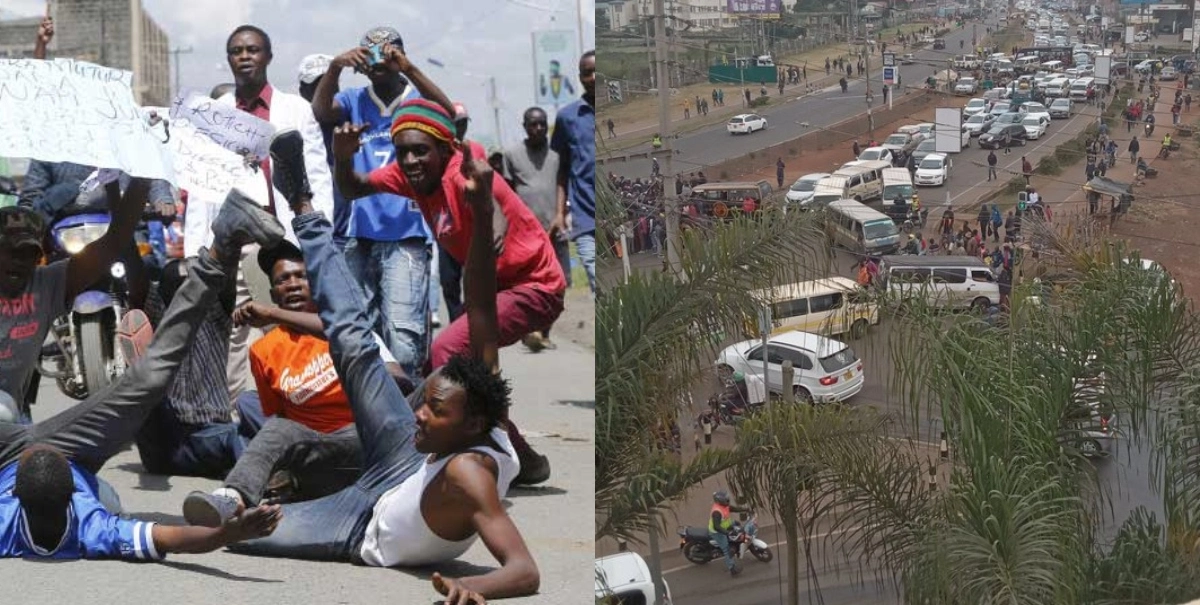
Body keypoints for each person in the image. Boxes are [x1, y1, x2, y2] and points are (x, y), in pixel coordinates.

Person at [226, 129, 541, 604]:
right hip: (403, 458)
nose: (418, 410)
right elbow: (479, 306)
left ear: (471, 424)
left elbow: (524, 572)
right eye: (427, 403)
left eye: (434, 409)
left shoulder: (471, 475)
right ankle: (304, 205)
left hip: (359, 523)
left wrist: (470, 587)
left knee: (238, 535)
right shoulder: (482, 417)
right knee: (352, 341)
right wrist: (479, 213)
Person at [0, 184, 286, 560]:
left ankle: (225, 236)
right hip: (32, 443)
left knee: (143, 381)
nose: (20, 263)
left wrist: (138, 172)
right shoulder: (90, 523)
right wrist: (220, 536)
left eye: (28, 253)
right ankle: (224, 247)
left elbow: (117, 237)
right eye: (11, 253)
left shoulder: (46, 282)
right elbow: (161, 536)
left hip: (11, 440)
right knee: (110, 497)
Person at [329, 46, 563, 484]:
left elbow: (485, 228)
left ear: (444, 148)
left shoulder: (461, 173)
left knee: (445, 353)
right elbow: (355, 186)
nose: (411, 162)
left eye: (421, 151)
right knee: (462, 364)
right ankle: (521, 457)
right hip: (490, 290)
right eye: (402, 153)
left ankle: (501, 452)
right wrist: (344, 156)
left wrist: (411, 68)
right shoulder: (409, 175)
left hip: (534, 285)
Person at [182, 241, 405, 521]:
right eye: (283, 280)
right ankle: (231, 499)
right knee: (264, 418)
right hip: (316, 454)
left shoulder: (347, 327)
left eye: (301, 276)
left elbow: (401, 381)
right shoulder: (263, 350)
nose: (293, 284)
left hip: (366, 441)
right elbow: (280, 418)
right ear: (273, 294)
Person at [217, 24, 337, 414]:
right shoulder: (215, 114)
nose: (245, 56)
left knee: (293, 324)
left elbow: (318, 175)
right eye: (237, 51)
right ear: (229, 59)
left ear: (268, 56)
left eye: (253, 49)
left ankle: (300, 411)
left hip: (287, 240)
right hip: (237, 239)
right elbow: (204, 184)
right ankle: (245, 417)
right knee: (238, 333)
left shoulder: (296, 110)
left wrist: (318, 237)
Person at [309, 27, 432, 378]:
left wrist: (408, 68)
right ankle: (365, 407)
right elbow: (321, 111)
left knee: (403, 333)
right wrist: (334, 67)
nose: (378, 59)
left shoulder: (414, 100)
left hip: (406, 233)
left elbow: (445, 112)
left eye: (387, 52)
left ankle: (408, 408)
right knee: (357, 327)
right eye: (369, 53)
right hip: (358, 233)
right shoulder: (353, 100)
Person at [502, 107, 567, 352]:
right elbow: (506, 193)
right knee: (528, 285)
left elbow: (561, 184)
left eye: (542, 124)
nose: (538, 128)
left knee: (558, 285)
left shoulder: (557, 156)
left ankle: (544, 332)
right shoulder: (512, 154)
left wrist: (560, 214)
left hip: (554, 230)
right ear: (525, 126)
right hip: (525, 236)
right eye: (533, 124)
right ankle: (530, 330)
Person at [550, 50, 596, 297]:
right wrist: (559, 213)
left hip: (617, 215)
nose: (594, 77)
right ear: (580, 77)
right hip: (585, 217)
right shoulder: (567, 117)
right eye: (588, 73)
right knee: (595, 275)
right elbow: (561, 170)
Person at [709, 491, 750, 577]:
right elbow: (717, 526)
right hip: (718, 532)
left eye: (727, 500)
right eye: (726, 500)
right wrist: (727, 533)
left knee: (738, 524)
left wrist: (744, 509)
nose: (728, 501)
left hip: (727, 524)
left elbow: (733, 509)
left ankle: (737, 545)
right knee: (727, 549)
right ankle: (732, 569)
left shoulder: (724, 506)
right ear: (720, 501)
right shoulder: (716, 512)